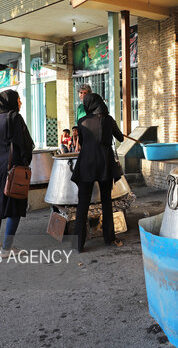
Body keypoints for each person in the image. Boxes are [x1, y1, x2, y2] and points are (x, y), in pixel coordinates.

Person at [71, 93, 124, 252]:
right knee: (107, 201)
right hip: (105, 164)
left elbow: (82, 142)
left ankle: (78, 244)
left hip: (86, 164)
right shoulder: (108, 120)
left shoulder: (81, 122)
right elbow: (120, 137)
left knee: (83, 203)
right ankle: (109, 238)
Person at [0, 90, 34, 257]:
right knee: (15, 205)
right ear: (12, 102)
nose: (20, 103)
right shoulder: (15, 118)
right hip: (14, 167)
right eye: (19, 99)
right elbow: (24, 144)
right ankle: (6, 249)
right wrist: (26, 162)